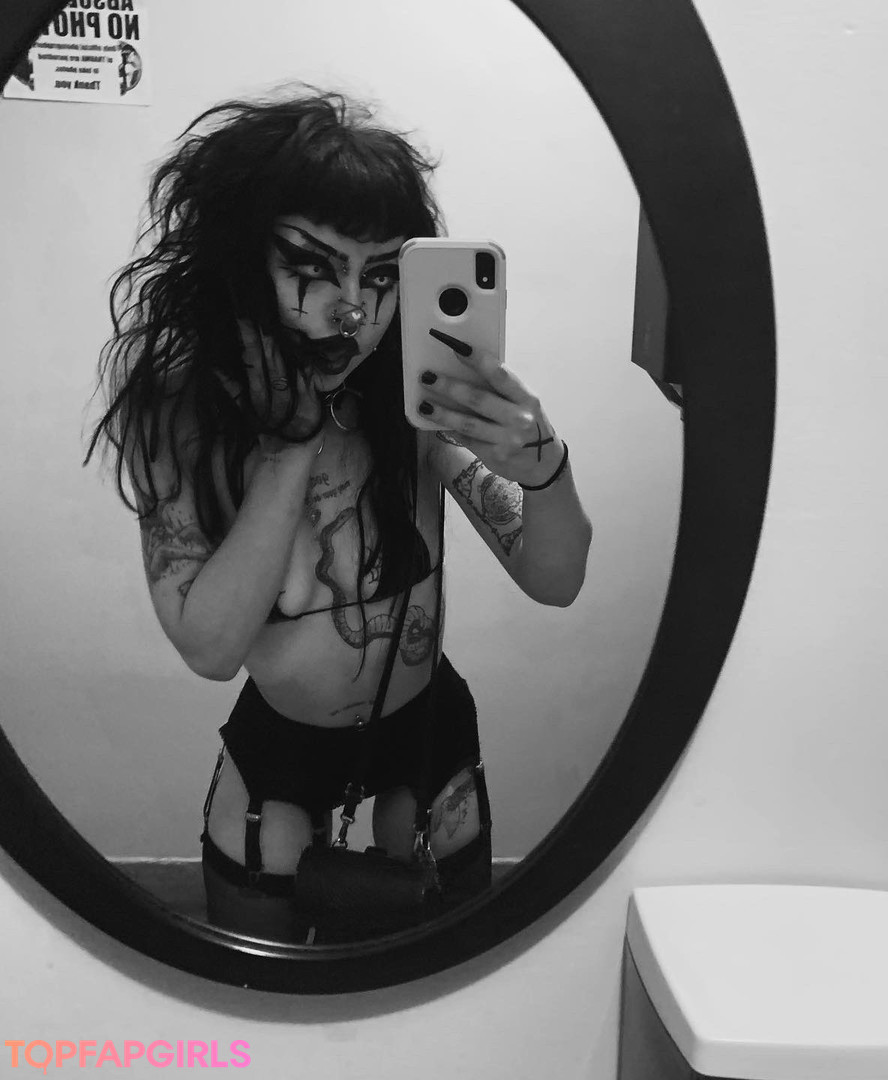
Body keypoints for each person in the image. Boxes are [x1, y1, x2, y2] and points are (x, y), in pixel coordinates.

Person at [86, 88, 592, 942]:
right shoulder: (183, 414)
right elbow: (210, 647)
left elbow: (557, 578)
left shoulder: (415, 402)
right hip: (278, 756)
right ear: (243, 257)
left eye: (382, 275)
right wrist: (289, 448)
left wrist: (546, 472)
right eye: (312, 266)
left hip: (427, 738)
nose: (353, 309)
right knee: (261, 985)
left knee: (440, 976)